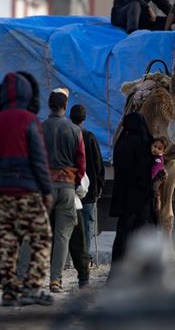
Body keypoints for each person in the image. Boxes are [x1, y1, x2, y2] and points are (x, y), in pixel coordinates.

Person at [0, 72, 54, 307]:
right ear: (28, 94)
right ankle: (32, 288)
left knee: (7, 242)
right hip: (28, 191)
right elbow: (39, 159)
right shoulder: (31, 120)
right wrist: (46, 190)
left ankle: (9, 291)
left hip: (2, 191)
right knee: (41, 238)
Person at [42, 88, 85, 293]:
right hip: (67, 188)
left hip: (45, 189)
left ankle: (23, 277)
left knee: (35, 233)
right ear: (65, 106)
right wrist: (75, 182)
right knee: (62, 237)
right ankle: (55, 280)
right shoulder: (75, 130)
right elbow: (81, 163)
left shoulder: (40, 128)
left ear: (49, 105)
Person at [109, 112, 154, 267]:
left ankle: (116, 271)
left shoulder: (120, 143)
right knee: (139, 237)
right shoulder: (143, 142)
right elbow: (145, 172)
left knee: (122, 234)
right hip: (140, 199)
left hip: (123, 200)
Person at [69, 104, 105, 255]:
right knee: (88, 224)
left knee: (70, 224)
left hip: (70, 187)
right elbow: (98, 163)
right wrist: (99, 184)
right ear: (84, 118)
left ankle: (71, 257)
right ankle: (86, 255)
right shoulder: (89, 136)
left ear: (70, 117)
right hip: (89, 190)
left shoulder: (67, 135)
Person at [66, 173, 90, 289]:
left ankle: (55, 278)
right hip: (73, 203)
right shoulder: (74, 155)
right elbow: (83, 186)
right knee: (78, 243)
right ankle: (83, 277)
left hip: (49, 203)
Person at [151, 137, 168, 219]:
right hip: (157, 174)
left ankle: (157, 200)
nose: (155, 149)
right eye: (154, 146)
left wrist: (150, 177)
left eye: (159, 148)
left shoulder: (158, 160)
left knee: (155, 188)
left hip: (158, 176)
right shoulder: (153, 156)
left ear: (163, 151)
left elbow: (154, 171)